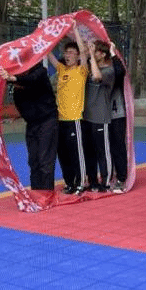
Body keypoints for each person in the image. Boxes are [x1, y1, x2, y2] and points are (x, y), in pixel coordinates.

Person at [0, 62, 59, 191]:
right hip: (32, 124)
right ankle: (36, 192)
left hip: (47, 120)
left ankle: (47, 193)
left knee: (45, 160)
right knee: (33, 161)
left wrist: (14, 78)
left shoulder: (39, 72)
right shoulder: (17, 87)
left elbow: (31, 79)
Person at [48, 24, 89, 195]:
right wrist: (46, 36)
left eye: (72, 52)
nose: (68, 55)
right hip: (60, 120)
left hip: (75, 119)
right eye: (66, 53)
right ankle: (69, 183)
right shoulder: (61, 69)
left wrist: (75, 30)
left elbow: (83, 52)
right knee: (63, 154)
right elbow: (48, 54)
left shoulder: (81, 70)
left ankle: (81, 183)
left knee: (76, 153)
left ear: (77, 56)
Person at [82, 40, 115, 192]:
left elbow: (97, 77)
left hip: (101, 118)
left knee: (103, 152)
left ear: (102, 54)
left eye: (95, 51)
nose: (92, 54)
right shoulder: (88, 68)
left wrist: (91, 58)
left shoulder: (109, 70)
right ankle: (93, 181)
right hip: (86, 117)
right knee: (89, 152)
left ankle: (106, 182)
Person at [108, 43, 128, 193]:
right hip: (101, 115)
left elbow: (120, 71)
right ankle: (108, 176)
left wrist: (112, 52)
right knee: (105, 148)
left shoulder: (115, 72)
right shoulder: (97, 70)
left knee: (118, 146)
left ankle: (121, 178)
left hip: (117, 115)